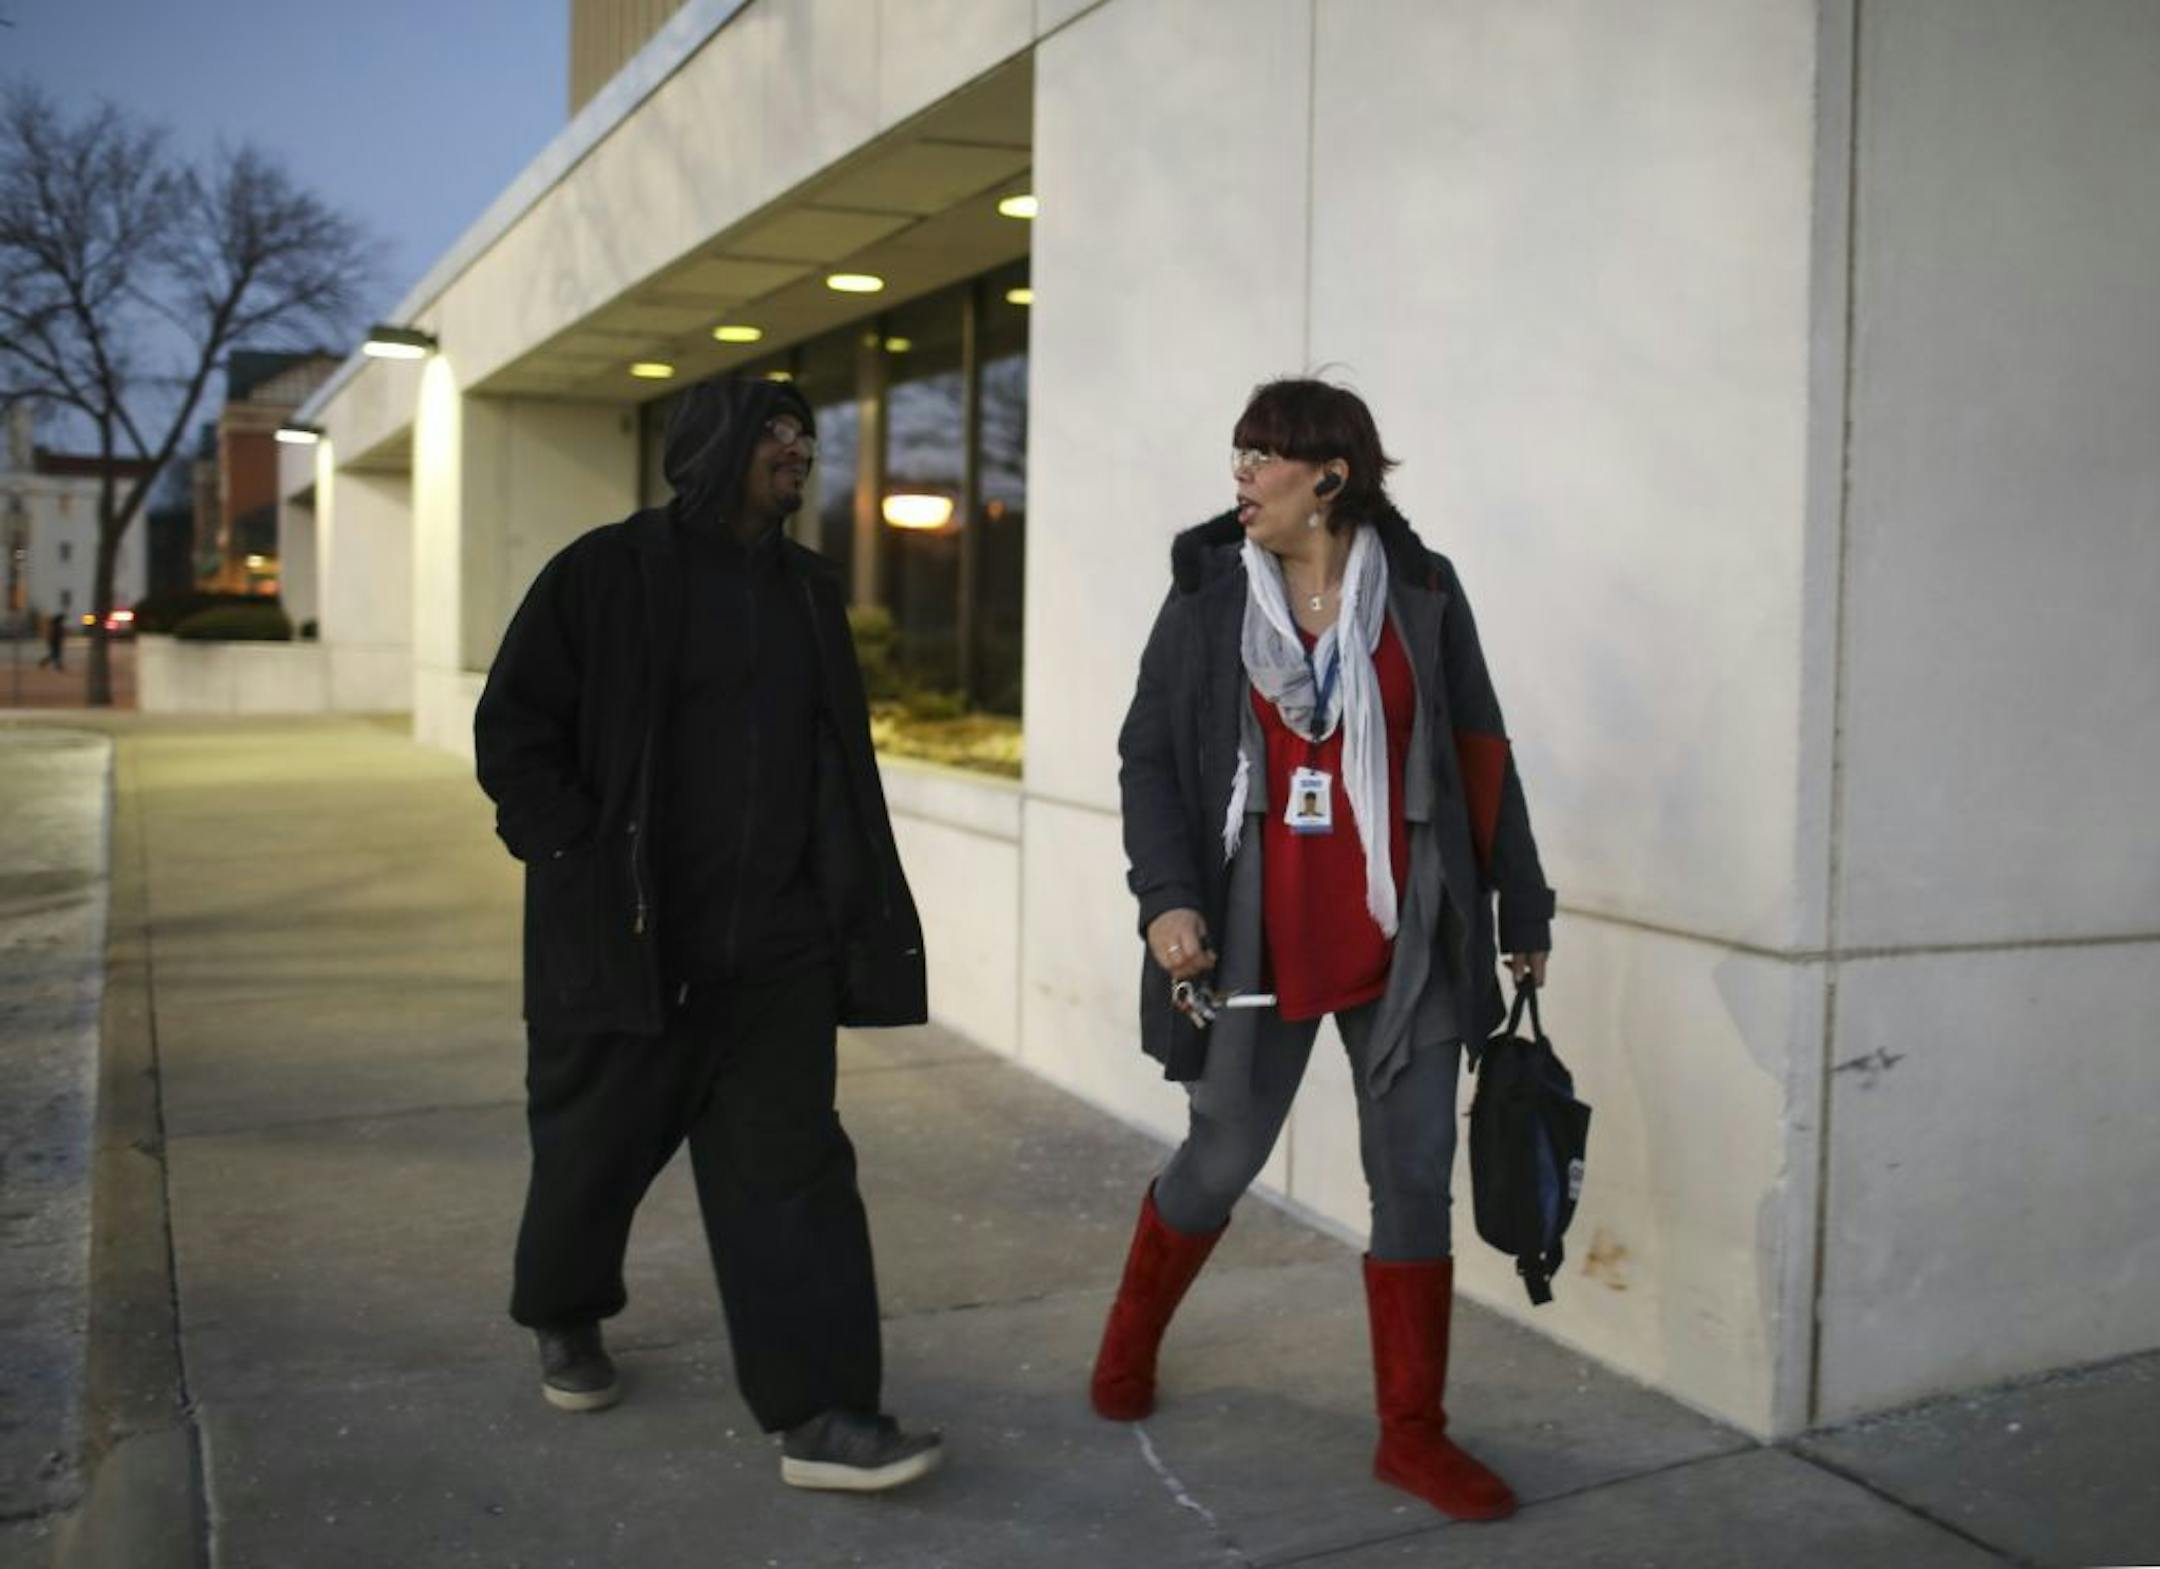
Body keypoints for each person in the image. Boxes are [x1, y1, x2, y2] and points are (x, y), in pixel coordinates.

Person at [1092, 377, 1555, 1522]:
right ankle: (1128, 1346)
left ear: (1329, 479)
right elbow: (1149, 755)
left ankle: (1413, 1434)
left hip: (1407, 933)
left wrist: (1523, 911)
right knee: (1219, 1158)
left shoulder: (1426, 594)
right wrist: (1166, 899)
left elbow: (1482, 753)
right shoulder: (1206, 596)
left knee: (1412, 1183)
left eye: (1263, 456)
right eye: (1238, 454)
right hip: (1256, 933)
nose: (1241, 475)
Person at [474, 374, 943, 1493]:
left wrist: (840, 913)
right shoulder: (604, 574)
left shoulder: (808, 593)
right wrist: (575, 856)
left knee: (796, 1178)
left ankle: (826, 1413)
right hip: (632, 942)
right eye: (776, 431)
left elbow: (832, 762)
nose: (799, 450)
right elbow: (514, 726)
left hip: (775, 952)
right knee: (590, 1158)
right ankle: (564, 1312)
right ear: (713, 447)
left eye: (804, 431)